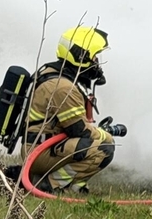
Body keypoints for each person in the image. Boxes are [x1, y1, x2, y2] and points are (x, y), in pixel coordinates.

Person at [21, 26, 126, 193]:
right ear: (81, 57)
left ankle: (74, 186)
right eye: (94, 57)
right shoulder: (63, 88)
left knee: (96, 142)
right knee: (104, 148)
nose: (97, 62)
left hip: (43, 146)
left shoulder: (55, 73)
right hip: (41, 152)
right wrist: (105, 134)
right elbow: (79, 130)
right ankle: (51, 184)